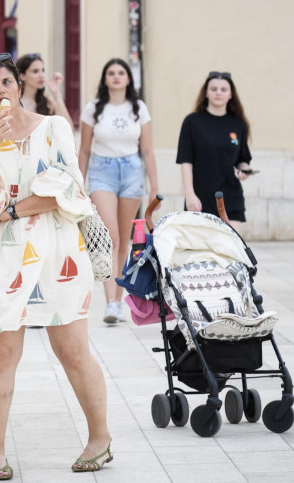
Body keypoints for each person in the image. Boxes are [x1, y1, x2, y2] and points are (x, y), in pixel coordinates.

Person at [0, 53, 111, 479]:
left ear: (19, 86)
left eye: (6, 82)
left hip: (57, 252)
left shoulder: (54, 128)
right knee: (2, 356)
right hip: (2, 260)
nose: (1, 91)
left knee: (72, 351)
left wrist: (12, 210)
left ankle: (100, 438)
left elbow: (68, 190)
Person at [78, 58, 158, 325]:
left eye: (120, 72)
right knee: (109, 236)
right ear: (105, 78)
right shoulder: (93, 109)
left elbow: (147, 149)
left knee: (125, 240)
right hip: (102, 172)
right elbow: (85, 149)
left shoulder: (138, 108)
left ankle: (118, 300)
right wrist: (78, 181)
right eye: (110, 73)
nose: (116, 77)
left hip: (132, 172)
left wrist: (154, 186)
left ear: (128, 78)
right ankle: (110, 303)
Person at [176, 71, 252, 227]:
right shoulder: (192, 122)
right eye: (214, 89)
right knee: (201, 250)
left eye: (223, 89)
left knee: (228, 249)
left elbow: (242, 160)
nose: (218, 92)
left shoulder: (238, 124)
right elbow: (186, 162)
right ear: (206, 93)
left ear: (231, 94)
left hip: (231, 198)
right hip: (200, 199)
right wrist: (190, 195)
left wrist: (245, 171)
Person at [16, 53, 73, 127]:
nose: (41, 75)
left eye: (43, 70)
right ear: (22, 76)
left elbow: (69, 129)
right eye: (35, 71)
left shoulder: (49, 103)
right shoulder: (14, 103)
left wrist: (57, 94)